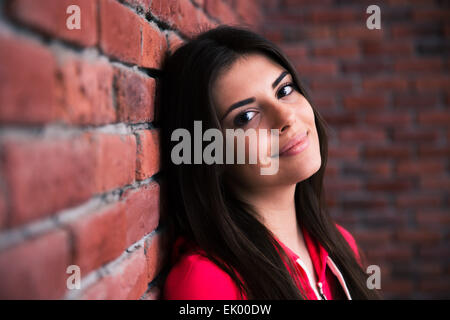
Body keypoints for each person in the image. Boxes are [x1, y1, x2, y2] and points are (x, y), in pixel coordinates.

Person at [157, 25, 381, 300]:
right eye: (246, 117)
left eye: (284, 90)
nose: (286, 116)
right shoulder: (207, 282)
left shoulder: (340, 244)